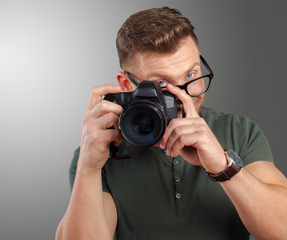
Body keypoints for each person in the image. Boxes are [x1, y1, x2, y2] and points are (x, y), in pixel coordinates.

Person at [55, 6, 287, 240]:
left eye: (190, 75)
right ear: (126, 85)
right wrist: (88, 166)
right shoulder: (100, 151)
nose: (185, 96)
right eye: (162, 85)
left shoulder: (240, 131)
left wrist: (222, 165)